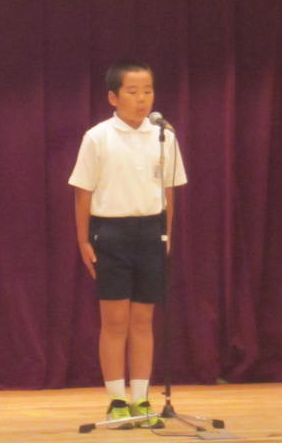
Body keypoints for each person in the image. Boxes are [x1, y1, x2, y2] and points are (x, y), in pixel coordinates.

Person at [68, 60, 187, 429]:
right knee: (115, 320)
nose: (142, 99)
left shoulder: (164, 136)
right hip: (111, 233)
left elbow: (169, 191)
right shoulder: (98, 137)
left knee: (143, 321)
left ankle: (141, 398)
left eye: (147, 91)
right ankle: (117, 399)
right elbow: (83, 192)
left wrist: (166, 234)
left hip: (151, 231)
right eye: (132, 92)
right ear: (113, 97)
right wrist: (83, 239)